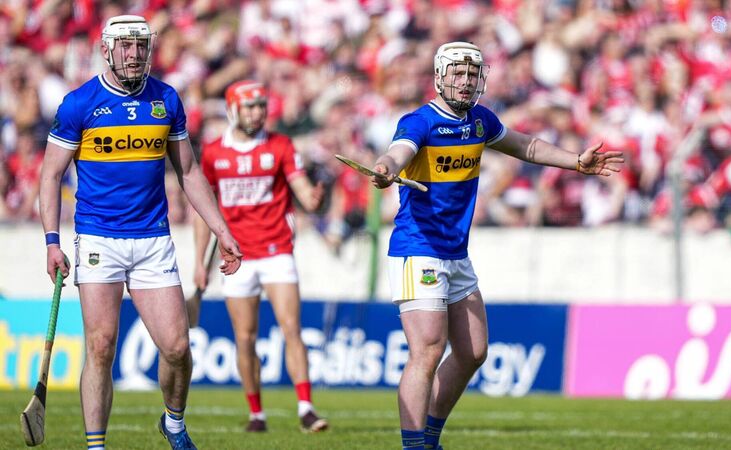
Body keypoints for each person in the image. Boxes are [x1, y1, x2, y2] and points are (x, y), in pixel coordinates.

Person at [369, 42, 624, 450]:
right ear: (440, 77)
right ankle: (414, 446)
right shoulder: (420, 121)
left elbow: (526, 147)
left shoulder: (480, 121)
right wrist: (386, 168)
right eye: (458, 73)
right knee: (428, 350)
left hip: (456, 253)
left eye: (472, 74)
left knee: (473, 352)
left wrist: (577, 161)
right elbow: (399, 151)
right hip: (419, 249)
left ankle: (429, 439)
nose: (466, 81)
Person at [38, 15, 243, 450]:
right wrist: (52, 242)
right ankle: (96, 446)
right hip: (98, 237)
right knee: (100, 346)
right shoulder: (79, 103)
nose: (134, 54)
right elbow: (50, 175)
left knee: (177, 348)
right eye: (125, 46)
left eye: (141, 45)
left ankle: (174, 423)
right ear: (107, 50)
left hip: (153, 240)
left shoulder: (166, 99)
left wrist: (221, 230)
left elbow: (189, 172)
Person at [193, 80, 329, 434]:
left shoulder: (280, 145)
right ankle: (256, 413)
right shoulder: (213, 153)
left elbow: (301, 188)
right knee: (245, 338)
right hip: (236, 256)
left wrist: (312, 199)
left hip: (276, 249)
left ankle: (306, 408)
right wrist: (199, 262)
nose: (257, 113)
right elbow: (204, 211)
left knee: (291, 328)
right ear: (233, 110)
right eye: (249, 107)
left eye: (261, 106)